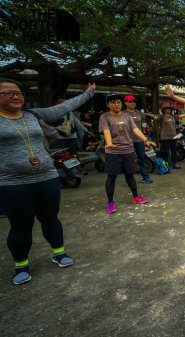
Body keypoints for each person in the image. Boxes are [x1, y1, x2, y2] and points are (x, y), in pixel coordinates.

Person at [0, 78, 95, 285]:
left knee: (51, 218)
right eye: (8, 93)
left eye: (18, 92)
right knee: (21, 226)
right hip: (12, 183)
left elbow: (64, 107)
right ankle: (21, 265)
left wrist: (88, 93)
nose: (16, 96)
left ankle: (59, 253)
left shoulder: (34, 114)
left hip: (47, 177)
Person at [99, 93, 157, 214]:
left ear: (121, 103)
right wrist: (109, 142)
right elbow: (106, 131)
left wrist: (146, 140)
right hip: (113, 152)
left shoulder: (127, 116)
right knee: (112, 177)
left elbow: (135, 129)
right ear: (107, 104)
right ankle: (110, 202)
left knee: (130, 175)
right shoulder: (105, 117)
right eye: (113, 102)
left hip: (128, 150)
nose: (116, 104)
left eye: (118, 102)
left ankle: (136, 196)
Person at [123, 95, 158, 182]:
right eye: (130, 101)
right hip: (128, 141)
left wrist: (154, 116)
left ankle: (146, 177)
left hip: (139, 140)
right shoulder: (123, 114)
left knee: (142, 158)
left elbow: (146, 116)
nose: (133, 103)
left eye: (134, 101)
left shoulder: (138, 112)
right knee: (128, 161)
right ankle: (129, 180)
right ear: (125, 102)